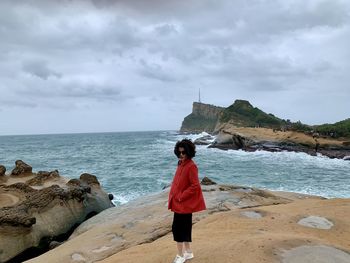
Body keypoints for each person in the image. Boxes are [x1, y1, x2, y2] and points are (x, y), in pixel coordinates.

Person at [168, 139, 206, 263]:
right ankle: (188, 252)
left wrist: (181, 196)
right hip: (178, 203)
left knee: (178, 229)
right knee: (184, 228)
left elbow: (195, 185)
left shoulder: (191, 166)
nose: (181, 155)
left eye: (183, 153)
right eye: (179, 153)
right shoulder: (180, 163)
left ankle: (180, 255)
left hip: (183, 204)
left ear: (189, 152)